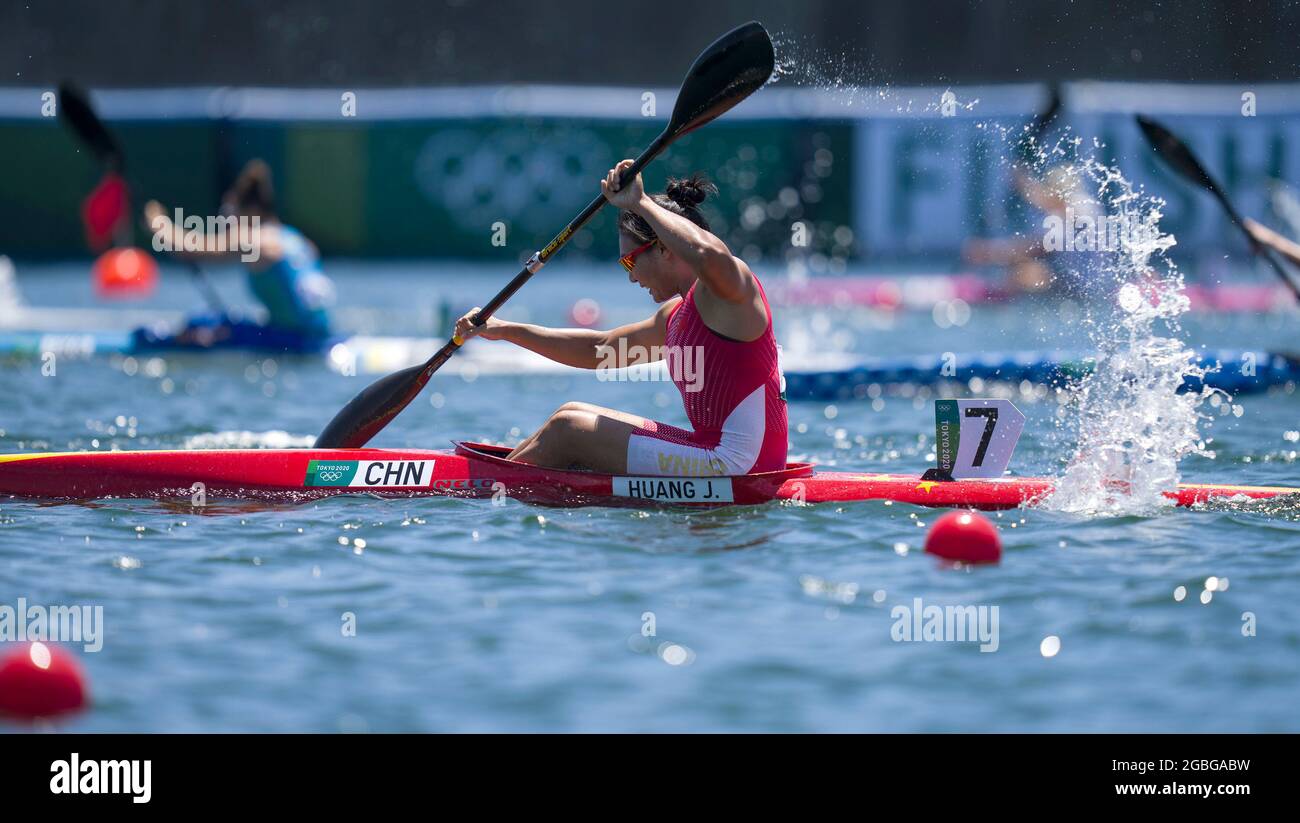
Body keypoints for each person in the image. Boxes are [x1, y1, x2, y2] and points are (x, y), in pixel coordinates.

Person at [454, 160, 787, 476]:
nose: (630, 277)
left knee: (567, 431)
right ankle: (506, 475)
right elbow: (599, 349)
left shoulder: (731, 294)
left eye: (630, 262)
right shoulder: (675, 315)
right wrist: (504, 329)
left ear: (665, 249)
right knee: (570, 413)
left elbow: (707, 253)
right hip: (712, 450)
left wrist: (640, 203)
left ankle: (483, 487)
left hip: (737, 465)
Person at [141, 159, 335, 350]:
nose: (228, 222)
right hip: (320, 336)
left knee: (201, 325)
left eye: (230, 214)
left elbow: (190, 248)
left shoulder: (255, 239)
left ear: (251, 210)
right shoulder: (296, 238)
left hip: (295, 342)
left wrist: (157, 222)